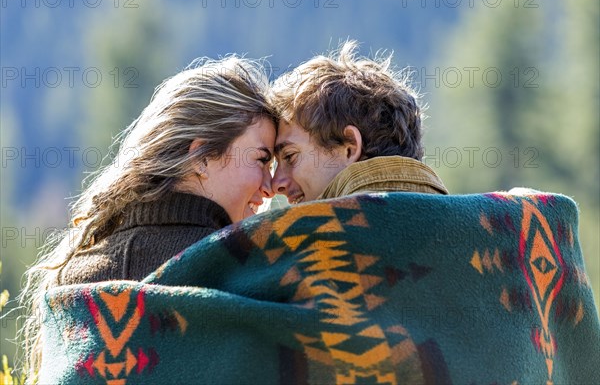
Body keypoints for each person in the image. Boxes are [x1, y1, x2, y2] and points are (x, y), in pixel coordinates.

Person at [20, 56, 277, 379]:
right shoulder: (249, 273)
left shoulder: (71, 278)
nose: (269, 188)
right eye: (261, 160)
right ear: (201, 157)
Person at [270, 40, 448, 202]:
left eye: (289, 156)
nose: (276, 184)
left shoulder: (312, 235)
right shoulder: (471, 223)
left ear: (350, 147)